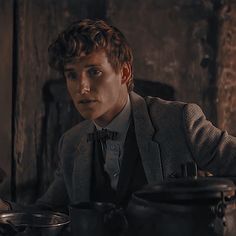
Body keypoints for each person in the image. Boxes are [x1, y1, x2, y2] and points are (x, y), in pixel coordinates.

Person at [1, 19, 236, 212]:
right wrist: (5, 208)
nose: (81, 87)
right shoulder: (71, 143)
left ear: (124, 72)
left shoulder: (179, 120)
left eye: (94, 72)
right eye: (72, 75)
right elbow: (48, 211)